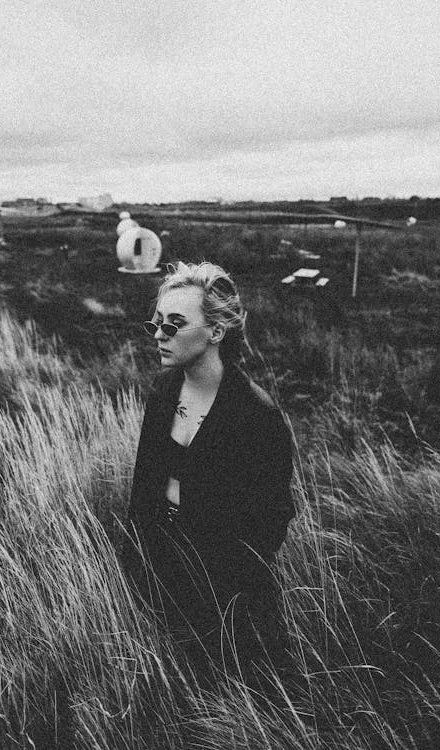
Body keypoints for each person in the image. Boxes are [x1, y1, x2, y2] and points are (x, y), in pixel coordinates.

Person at [121, 261, 295, 691]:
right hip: (162, 569)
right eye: (157, 323)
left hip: (228, 595)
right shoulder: (163, 392)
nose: (159, 335)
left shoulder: (257, 415)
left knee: (224, 693)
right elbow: (145, 486)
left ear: (216, 332)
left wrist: (219, 580)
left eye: (175, 325)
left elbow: (272, 520)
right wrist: (137, 559)